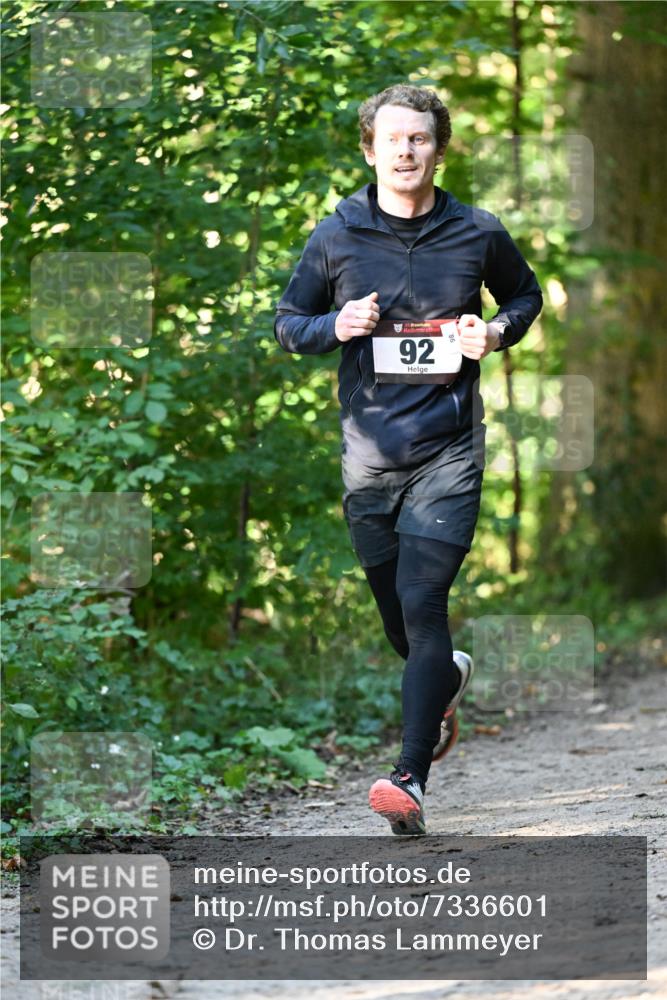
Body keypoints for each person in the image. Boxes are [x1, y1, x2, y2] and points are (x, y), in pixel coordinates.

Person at [273, 83, 542, 835]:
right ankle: (447, 676)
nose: (405, 150)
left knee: (425, 605)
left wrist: (493, 334)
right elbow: (288, 324)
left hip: (449, 445)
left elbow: (524, 298)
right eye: (391, 139)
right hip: (368, 452)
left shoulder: (476, 231)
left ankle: (409, 777)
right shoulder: (336, 236)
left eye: (419, 139)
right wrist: (337, 322)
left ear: (437, 147)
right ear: (369, 148)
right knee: (404, 628)